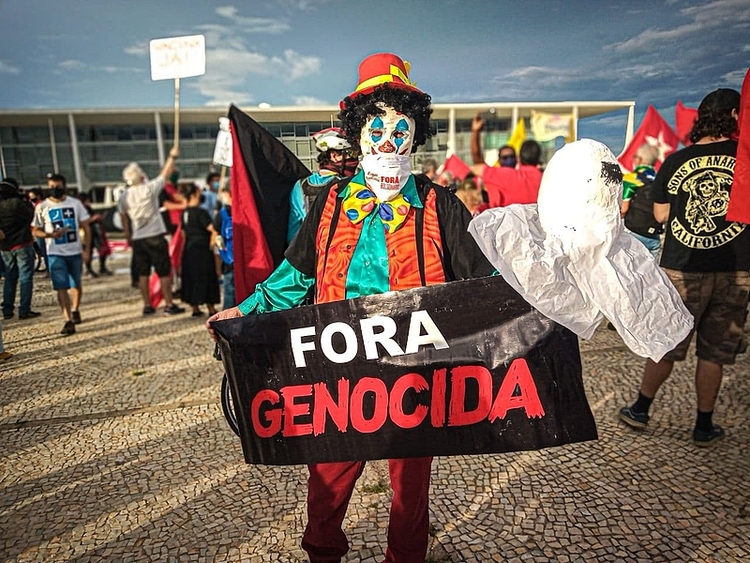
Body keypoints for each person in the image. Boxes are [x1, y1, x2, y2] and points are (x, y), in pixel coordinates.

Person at [207, 52, 496, 563]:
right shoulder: (330, 203)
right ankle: (323, 553)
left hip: (416, 372)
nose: (388, 140)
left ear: (415, 133)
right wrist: (244, 312)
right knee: (328, 479)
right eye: (377, 126)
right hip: (338, 370)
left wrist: (536, 302)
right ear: (359, 133)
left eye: (399, 127)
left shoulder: (441, 204)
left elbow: (485, 284)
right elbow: (293, 279)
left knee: (410, 488)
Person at [619, 88, 750, 446]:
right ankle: (704, 425)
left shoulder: (677, 161)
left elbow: (661, 215)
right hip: (734, 267)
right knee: (714, 352)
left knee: (668, 341)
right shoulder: (745, 158)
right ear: (736, 117)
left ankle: (641, 409)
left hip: (682, 265)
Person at [118, 147, 185, 316]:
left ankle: (147, 305)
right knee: (163, 271)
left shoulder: (124, 196)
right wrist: (172, 156)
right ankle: (169, 304)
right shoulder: (148, 189)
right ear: (141, 175)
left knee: (143, 272)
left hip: (138, 237)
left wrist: (128, 237)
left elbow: (124, 219)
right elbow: (164, 174)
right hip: (155, 235)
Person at [31, 174, 91, 335]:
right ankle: (68, 319)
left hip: (74, 251)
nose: (54, 190)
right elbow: (35, 229)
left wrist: (87, 250)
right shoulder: (43, 207)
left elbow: (86, 226)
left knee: (76, 284)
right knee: (61, 287)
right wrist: (49, 236)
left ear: (64, 186)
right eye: (51, 187)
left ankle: (75, 309)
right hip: (55, 253)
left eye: (57, 187)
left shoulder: (75, 203)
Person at [287, 127, 359, 241]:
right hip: (341, 252)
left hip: (310, 253)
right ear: (334, 156)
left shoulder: (300, 186)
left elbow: (294, 231)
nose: (355, 159)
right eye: (352, 153)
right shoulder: (350, 184)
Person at [470, 114, 543, 208]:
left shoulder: (503, 176)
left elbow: (478, 165)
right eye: (505, 158)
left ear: (518, 158)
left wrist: (475, 132)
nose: (509, 160)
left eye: (511, 156)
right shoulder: (546, 179)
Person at [1, 178, 41, 320]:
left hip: (5, 246)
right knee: (25, 277)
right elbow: (32, 215)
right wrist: (24, 199)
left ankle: (7, 309)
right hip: (22, 243)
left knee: (10, 277)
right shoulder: (18, 204)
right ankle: (24, 310)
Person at [179, 183, 220, 317]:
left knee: (191, 277)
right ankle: (211, 307)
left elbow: (183, 232)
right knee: (206, 277)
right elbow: (212, 228)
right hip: (202, 250)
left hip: (189, 248)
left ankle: (195, 307)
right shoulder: (200, 213)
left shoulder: (184, 213)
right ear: (194, 195)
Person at [621, 143, 662, 258]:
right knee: (653, 273)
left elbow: (624, 209)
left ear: (639, 160)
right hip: (654, 235)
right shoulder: (660, 180)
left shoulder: (631, 179)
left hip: (634, 233)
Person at [78, 192, 113, 277]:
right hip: (85, 233)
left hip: (95, 232)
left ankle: (102, 267)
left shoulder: (88, 208)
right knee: (88, 251)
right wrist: (92, 219)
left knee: (102, 250)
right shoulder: (79, 209)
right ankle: (89, 269)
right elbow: (81, 222)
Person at [213, 184, 235, 310]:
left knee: (229, 290)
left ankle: (227, 320)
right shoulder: (246, 210)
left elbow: (215, 237)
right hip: (246, 258)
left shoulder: (221, 215)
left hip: (228, 260)